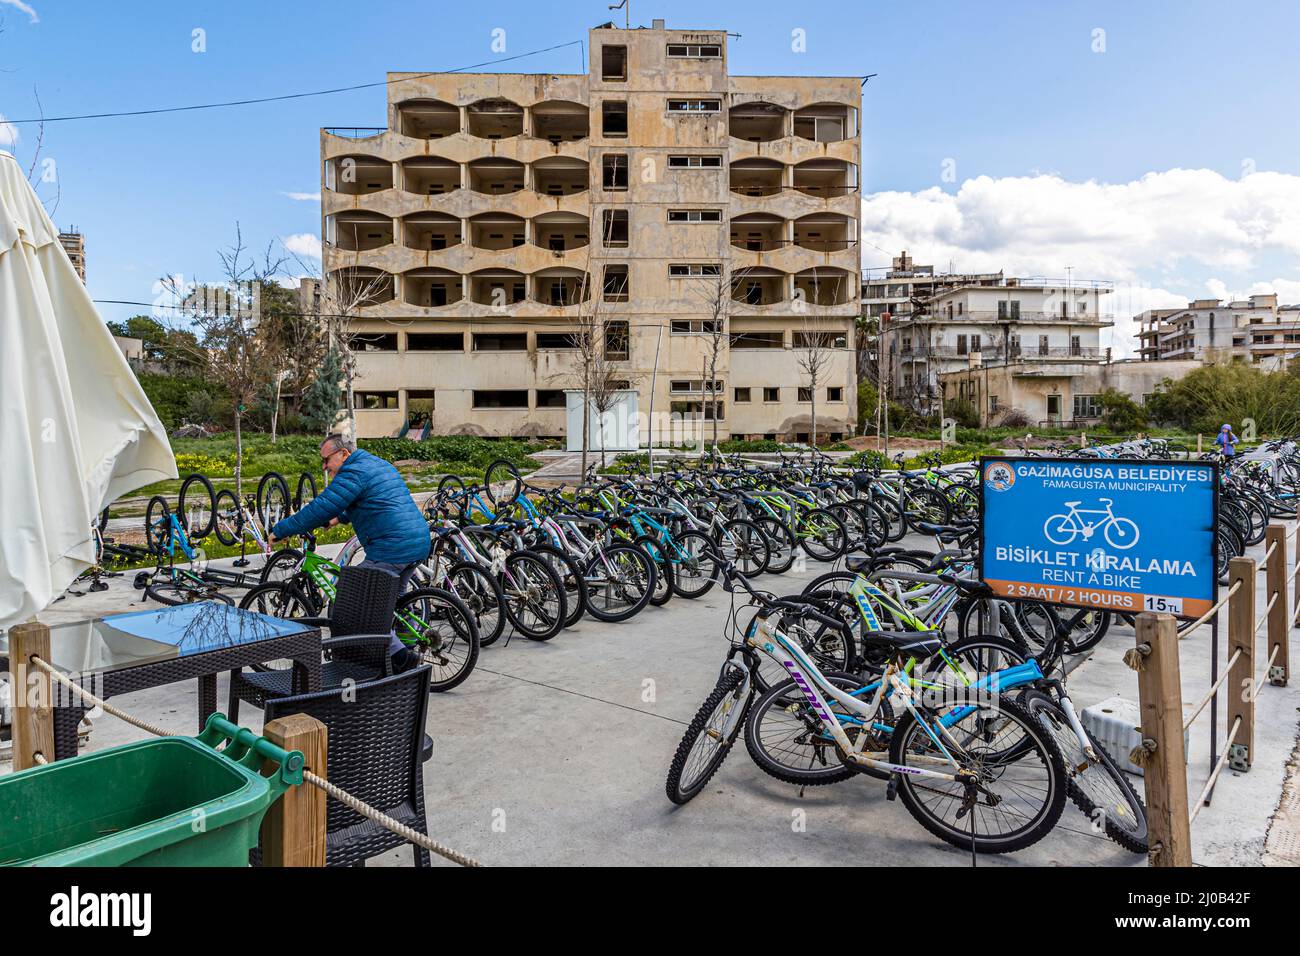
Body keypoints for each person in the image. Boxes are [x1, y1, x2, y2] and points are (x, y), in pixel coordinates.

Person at [269, 433, 430, 671]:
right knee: (394, 602)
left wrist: (281, 530)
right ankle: (408, 645)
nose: (324, 466)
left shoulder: (352, 473)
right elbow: (371, 498)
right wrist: (339, 519)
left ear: (344, 454)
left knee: (359, 604)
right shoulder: (374, 463)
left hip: (391, 549)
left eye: (327, 460)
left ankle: (403, 660)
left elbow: (320, 507)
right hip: (416, 541)